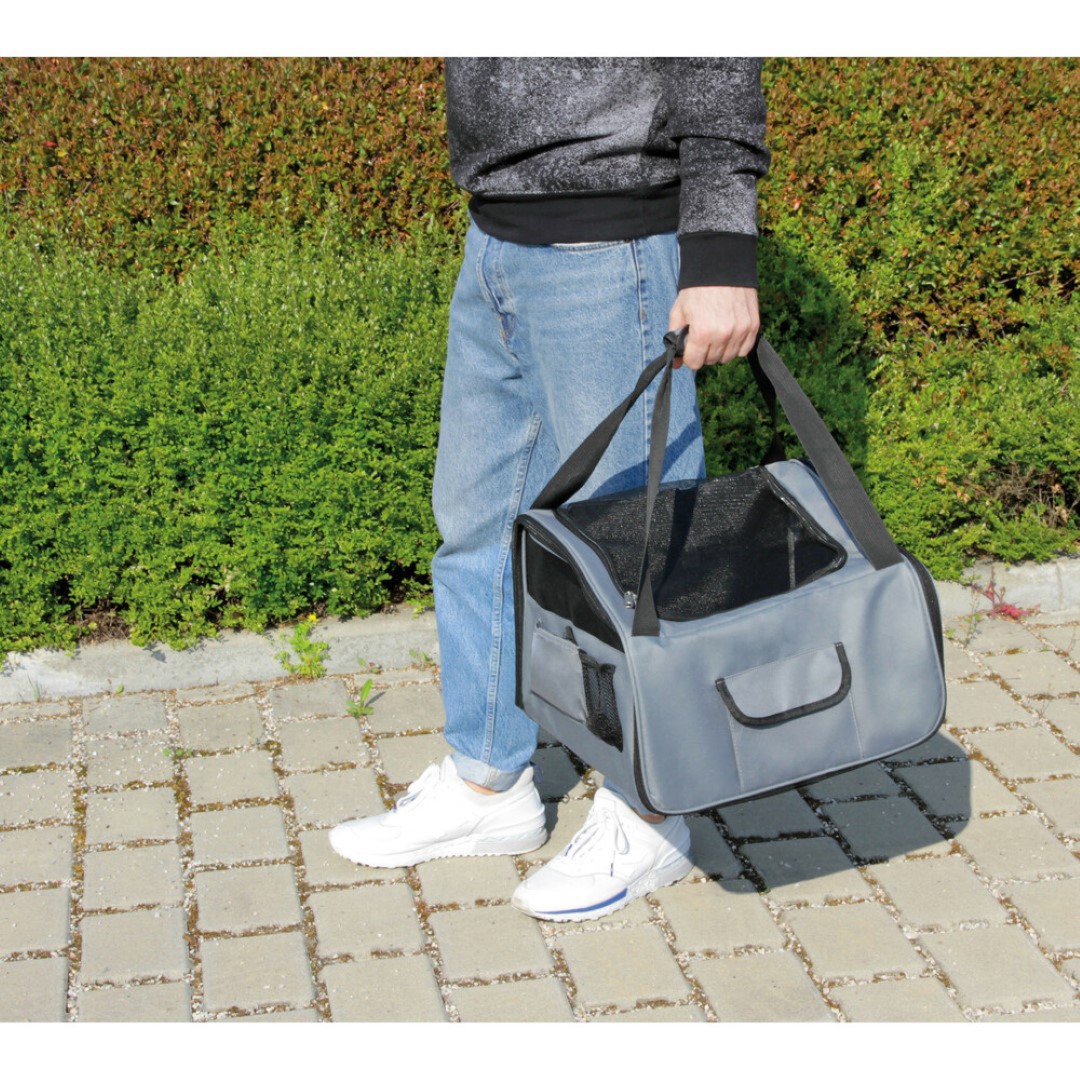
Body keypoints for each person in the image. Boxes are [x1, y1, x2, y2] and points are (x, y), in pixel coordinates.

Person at [332, 57, 769, 921]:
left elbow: (717, 55)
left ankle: (654, 810)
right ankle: (486, 783)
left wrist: (721, 251)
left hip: (612, 246)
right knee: (479, 527)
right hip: (496, 240)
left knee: (635, 553)